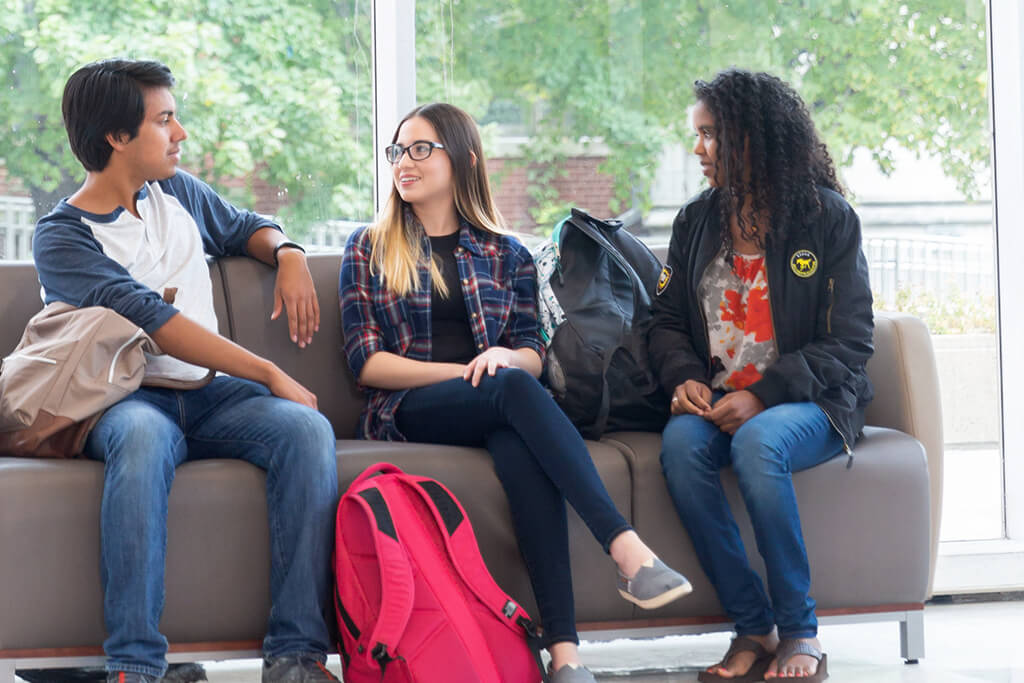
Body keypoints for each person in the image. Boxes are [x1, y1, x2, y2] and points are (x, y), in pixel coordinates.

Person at [339, 102, 691, 683]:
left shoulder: (507, 252)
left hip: (496, 402)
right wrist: (473, 373)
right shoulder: (369, 247)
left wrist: (505, 361)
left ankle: (565, 656)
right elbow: (368, 363)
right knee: (509, 393)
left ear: (464, 159)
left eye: (421, 148)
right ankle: (626, 548)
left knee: (520, 444)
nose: (405, 161)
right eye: (398, 150)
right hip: (408, 407)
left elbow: (531, 349)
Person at [32, 59, 340, 683]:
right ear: (117, 137)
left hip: (211, 397)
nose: (181, 133)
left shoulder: (176, 192)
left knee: (306, 432)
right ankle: (136, 666)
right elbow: (153, 320)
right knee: (142, 443)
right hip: (126, 400)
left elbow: (245, 227)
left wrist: (288, 252)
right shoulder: (61, 236)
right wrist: (269, 371)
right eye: (164, 119)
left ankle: (295, 657)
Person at [650, 69, 874, 683]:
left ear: (752, 138)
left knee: (758, 440)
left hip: (813, 402)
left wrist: (764, 394)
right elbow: (664, 320)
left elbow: (851, 341)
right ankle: (752, 626)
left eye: (710, 135)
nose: (698, 150)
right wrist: (685, 377)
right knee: (680, 446)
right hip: (721, 400)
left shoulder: (828, 219)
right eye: (696, 136)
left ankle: (800, 632)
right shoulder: (696, 221)